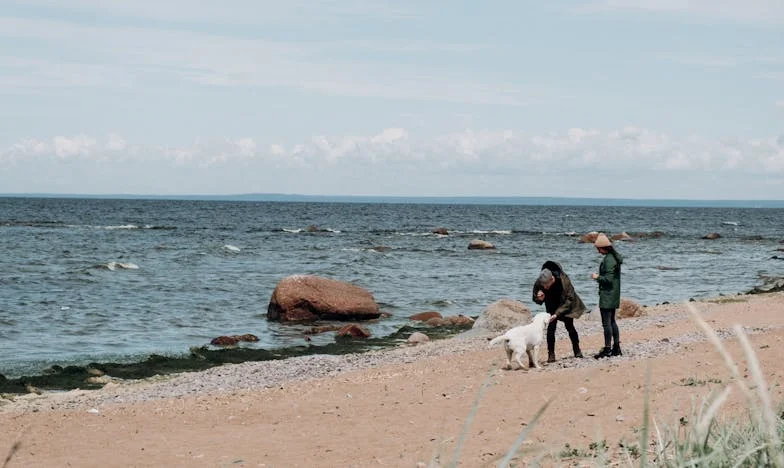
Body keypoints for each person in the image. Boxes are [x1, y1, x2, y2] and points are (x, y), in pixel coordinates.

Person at [532, 260, 587, 363]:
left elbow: (570, 299)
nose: (544, 287)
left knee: (570, 326)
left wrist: (557, 313)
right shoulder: (540, 281)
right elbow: (535, 298)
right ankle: (551, 355)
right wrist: (540, 298)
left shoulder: (564, 280)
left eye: (546, 285)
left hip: (564, 304)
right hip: (550, 304)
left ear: (552, 279)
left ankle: (577, 350)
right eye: (543, 286)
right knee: (551, 329)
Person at [591, 233, 623, 359]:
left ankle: (607, 349)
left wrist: (597, 277)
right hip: (614, 293)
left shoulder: (609, 260)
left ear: (603, 247)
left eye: (598, 249)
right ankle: (616, 348)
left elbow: (608, 279)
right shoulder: (614, 257)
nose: (598, 251)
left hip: (608, 295)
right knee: (612, 321)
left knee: (606, 323)